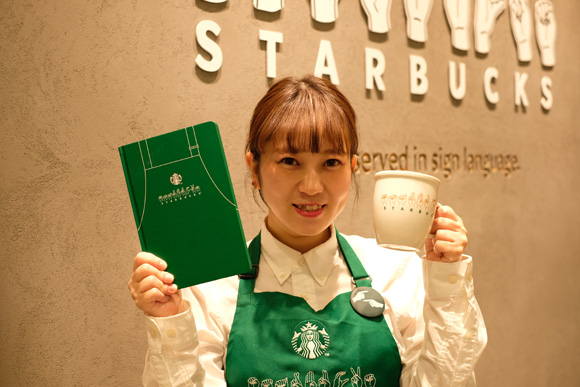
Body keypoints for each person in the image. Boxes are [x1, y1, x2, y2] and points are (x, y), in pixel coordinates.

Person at [128, 75, 487, 387]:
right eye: (289, 162)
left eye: (331, 162)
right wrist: (169, 322)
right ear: (254, 167)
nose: (312, 187)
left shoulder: (395, 270)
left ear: (352, 167)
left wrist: (446, 281)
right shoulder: (212, 286)